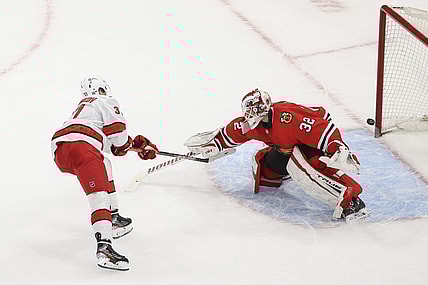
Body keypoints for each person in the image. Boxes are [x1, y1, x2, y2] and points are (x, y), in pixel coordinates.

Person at [184, 88, 368, 222]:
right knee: (265, 168)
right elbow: (231, 133)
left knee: (301, 167)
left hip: (310, 142)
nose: (250, 119)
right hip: (286, 146)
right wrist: (212, 145)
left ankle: (350, 201)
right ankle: (291, 169)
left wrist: (337, 148)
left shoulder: (288, 119)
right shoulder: (253, 124)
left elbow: (323, 131)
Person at [51, 77, 159, 271]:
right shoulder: (105, 101)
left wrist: (136, 146)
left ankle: (114, 218)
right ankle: (105, 248)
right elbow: (118, 140)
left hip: (61, 150)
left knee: (104, 163)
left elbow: (109, 146)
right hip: (82, 148)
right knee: (99, 198)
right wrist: (137, 146)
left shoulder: (84, 108)